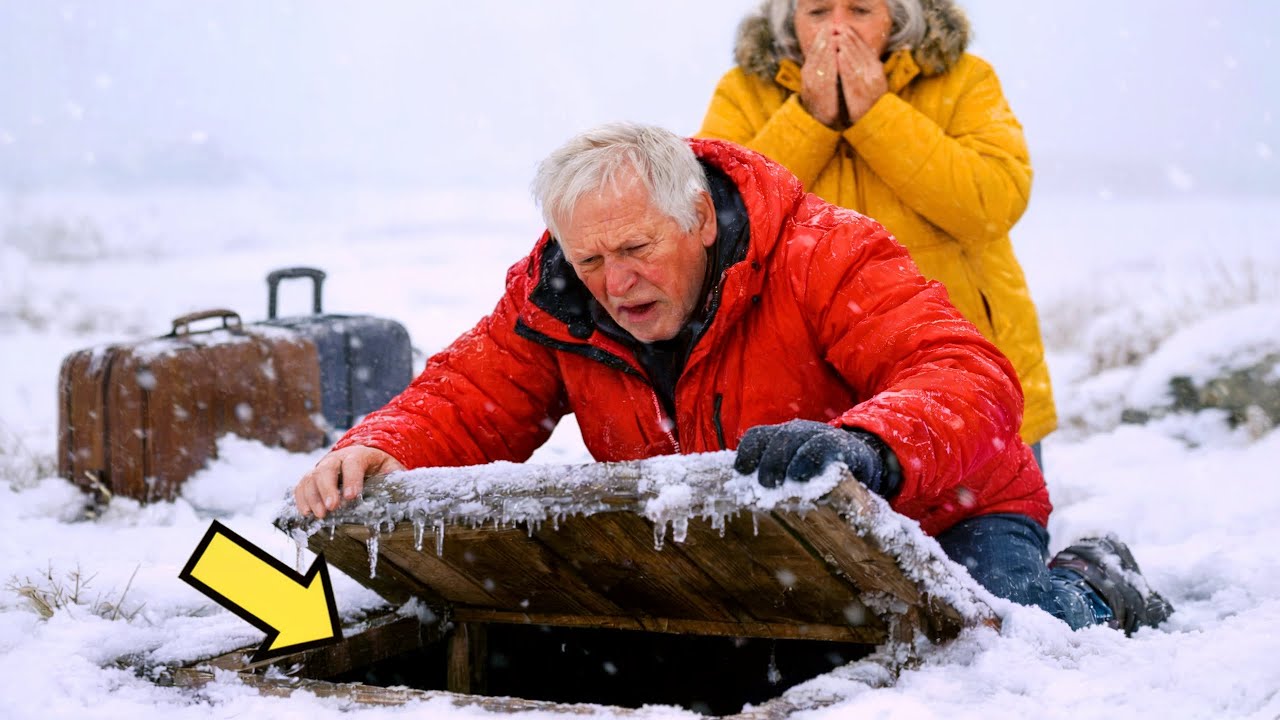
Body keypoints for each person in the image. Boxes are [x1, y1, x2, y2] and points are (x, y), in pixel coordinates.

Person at [292, 123, 1170, 636]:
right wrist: (379, 447)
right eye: (591, 256)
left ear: (702, 218)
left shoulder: (826, 251)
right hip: (750, 539)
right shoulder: (554, 298)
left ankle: (1091, 580)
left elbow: (967, 377)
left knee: (989, 638)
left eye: (638, 249)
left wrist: (865, 446)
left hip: (943, 502)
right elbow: (469, 396)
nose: (615, 281)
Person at [697, 0, 1056, 461]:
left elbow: (993, 203)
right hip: (807, 391)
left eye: (861, 10)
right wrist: (810, 118)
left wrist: (877, 114)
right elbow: (718, 225)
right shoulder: (744, 91)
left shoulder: (963, 77)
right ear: (789, 20)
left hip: (969, 376)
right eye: (818, 13)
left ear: (899, 18)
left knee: (998, 524)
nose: (838, 31)